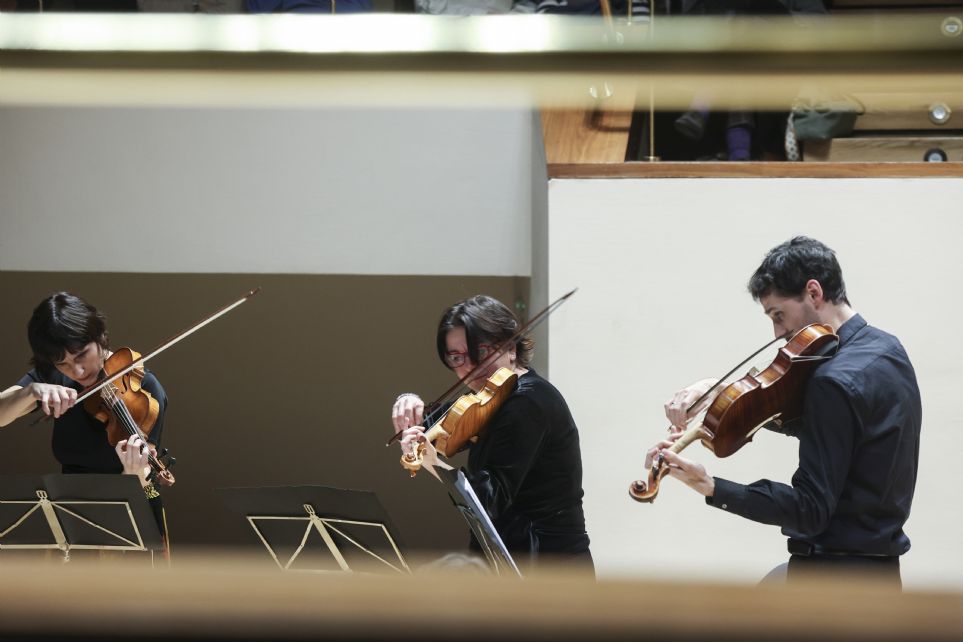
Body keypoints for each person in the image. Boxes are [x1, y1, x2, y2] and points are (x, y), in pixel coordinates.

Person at [648, 237, 921, 587]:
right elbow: (834, 429)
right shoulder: (887, 350)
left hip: (830, 585)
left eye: (778, 314)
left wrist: (709, 485)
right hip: (880, 572)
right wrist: (718, 392)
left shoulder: (832, 381)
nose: (778, 332)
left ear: (813, 292)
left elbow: (809, 511)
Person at [392, 295, 593, 574]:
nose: (470, 366)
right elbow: (428, 423)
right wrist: (408, 401)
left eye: (482, 352)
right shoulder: (490, 397)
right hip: (513, 562)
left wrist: (434, 464)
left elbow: (489, 498)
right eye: (457, 357)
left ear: (511, 348)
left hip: (547, 570)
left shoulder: (529, 401)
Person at [0, 292, 169, 537]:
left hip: (132, 507)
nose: (77, 370)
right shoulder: (54, 377)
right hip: (70, 507)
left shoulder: (145, 389)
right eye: (63, 363)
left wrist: (134, 473)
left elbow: (142, 479)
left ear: (100, 336)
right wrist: (31, 391)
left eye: (82, 355)